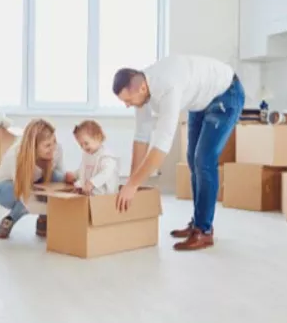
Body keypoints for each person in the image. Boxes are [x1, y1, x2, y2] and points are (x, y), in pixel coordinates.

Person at [112, 54, 245, 251]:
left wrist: (132, 184)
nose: (127, 105)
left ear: (141, 88)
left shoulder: (168, 88)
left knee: (204, 160)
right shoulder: (143, 93)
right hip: (200, 101)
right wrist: (134, 182)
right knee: (192, 159)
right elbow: (142, 137)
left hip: (226, 93)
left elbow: (161, 147)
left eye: (128, 100)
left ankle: (204, 231)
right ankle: (197, 223)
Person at [0, 119, 75, 239]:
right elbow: (24, 196)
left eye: (54, 142)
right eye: (47, 145)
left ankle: (43, 220)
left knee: (57, 177)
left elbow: (60, 177)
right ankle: (11, 219)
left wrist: (69, 179)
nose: (53, 148)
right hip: (5, 188)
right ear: (34, 147)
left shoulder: (57, 149)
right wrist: (52, 209)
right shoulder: (17, 155)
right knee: (27, 195)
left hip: (33, 184)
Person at [70, 120, 120, 196]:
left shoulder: (106, 156)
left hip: (106, 194)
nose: (83, 147)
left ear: (98, 138)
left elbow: (106, 173)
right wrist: (75, 175)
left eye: (86, 143)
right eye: (81, 145)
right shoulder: (87, 154)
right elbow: (83, 169)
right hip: (91, 192)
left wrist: (92, 183)